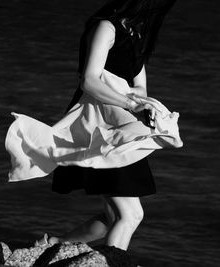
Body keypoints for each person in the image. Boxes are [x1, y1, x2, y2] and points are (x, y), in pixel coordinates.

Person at [33, 0, 177, 251]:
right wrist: (131, 104)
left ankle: (56, 245)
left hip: (121, 128)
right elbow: (89, 80)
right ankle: (111, 261)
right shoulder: (106, 28)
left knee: (118, 217)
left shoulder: (137, 34)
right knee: (129, 216)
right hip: (98, 128)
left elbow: (140, 87)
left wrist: (147, 106)